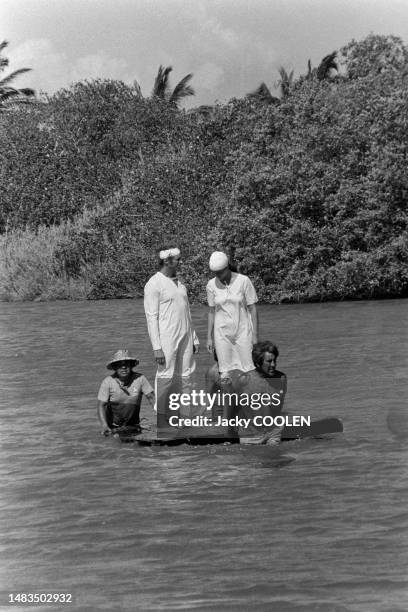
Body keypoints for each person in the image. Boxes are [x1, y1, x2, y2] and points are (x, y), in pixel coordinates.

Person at [144, 246, 200, 431]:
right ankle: (162, 419)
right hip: (167, 339)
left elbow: (187, 312)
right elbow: (151, 317)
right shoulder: (154, 283)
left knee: (187, 376)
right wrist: (157, 347)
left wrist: (194, 337)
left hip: (185, 336)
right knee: (166, 376)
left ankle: (186, 418)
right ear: (167, 261)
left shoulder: (180, 284)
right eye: (177, 259)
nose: (180, 262)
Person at [206, 251, 258, 385]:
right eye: (215, 273)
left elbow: (252, 309)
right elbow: (211, 311)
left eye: (220, 272)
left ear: (227, 267)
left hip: (243, 331)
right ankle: (228, 403)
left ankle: (250, 402)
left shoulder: (243, 281)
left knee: (249, 369)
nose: (218, 275)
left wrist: (255, 336)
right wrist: (209, 337)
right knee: (225, 373)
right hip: (222, 334)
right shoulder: (211, 285)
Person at [235, 341, 287, 444]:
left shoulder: (281, 378)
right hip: (250, 434)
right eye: (269, 361)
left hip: (273, 432)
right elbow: (234, 406)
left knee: (277, 458)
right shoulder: (244, 380)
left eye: (275, 360)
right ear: (258, 362)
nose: (273, 364)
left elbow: (278, 406)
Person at [97, 349, 155, 436]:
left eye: (126, 364)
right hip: (113, 427)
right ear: (115, 367)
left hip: (134, 426)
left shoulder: (140, 379)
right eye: (119, 364)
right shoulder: (108, 382)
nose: (123, 367)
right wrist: (104, 426)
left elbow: (152, 398)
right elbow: (101, 405)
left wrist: (163, 419)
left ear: (131, 365)